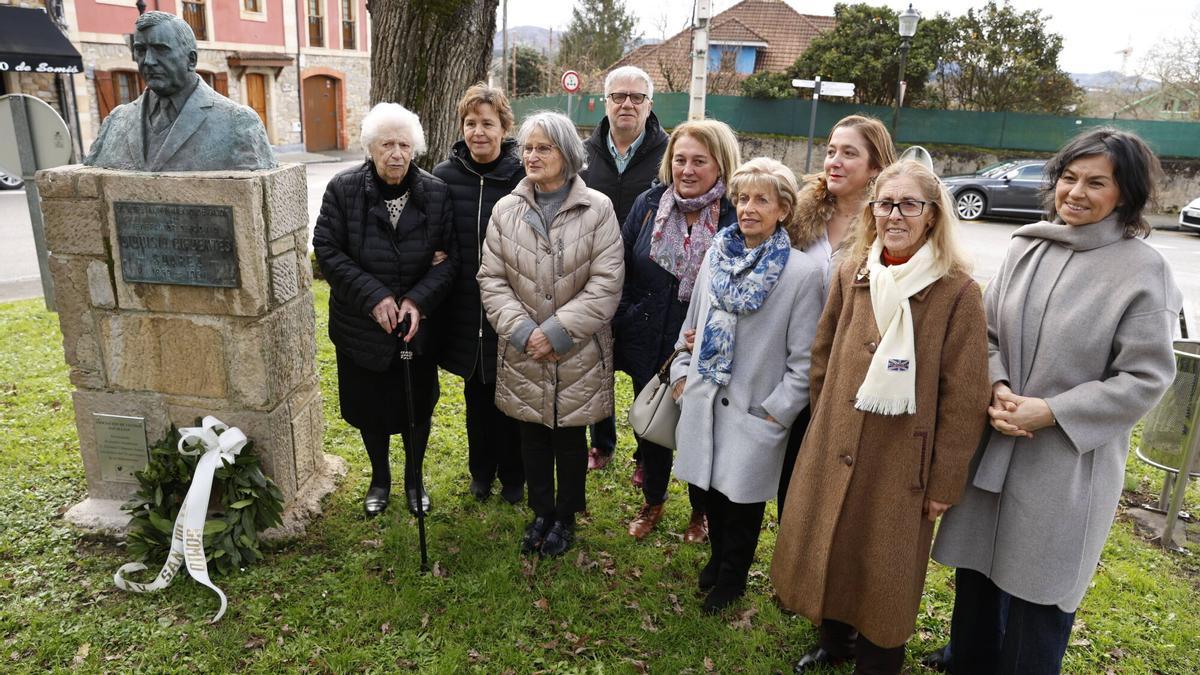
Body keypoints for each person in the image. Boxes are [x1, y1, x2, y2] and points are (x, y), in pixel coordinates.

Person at [925, 129, 1183, 675]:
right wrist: (994, 387)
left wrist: (1053, 411)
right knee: (978, 574)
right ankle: (967, 662)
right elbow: (985, 334)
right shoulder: (1028, 246)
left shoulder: (1144, 272)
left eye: (1097, 182)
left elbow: (1146, 375)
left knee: (1039, 595)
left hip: (1065, 463)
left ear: (1126, 194)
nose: (1076, 193)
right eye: (1069, 178)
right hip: (996, 442)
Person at [771, 160, 990, 674]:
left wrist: (944, 480)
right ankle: (834, 638)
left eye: (909, 204)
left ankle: (877, 659)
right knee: (832, 539)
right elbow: (823, 350)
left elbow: (964, 398)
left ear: (933, 216)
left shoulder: (957, 291)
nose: (895, 215)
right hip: (838, 437)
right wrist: (825, 422)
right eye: (885, 203)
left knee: (885, 567)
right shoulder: (855, 269)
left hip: (901, 456)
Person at [670, 157, 825, 614]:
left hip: (754, 409)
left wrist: (776, 411)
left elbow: (804, 361)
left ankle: (732, 577)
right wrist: (682, 376)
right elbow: (690, 325)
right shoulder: (715, 256)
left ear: (783, 209)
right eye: (742, 198)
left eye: (762, 199)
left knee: (742, 502)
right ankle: (718, 560)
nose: (748, 208)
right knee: (710, 493)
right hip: (704, 399)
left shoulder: (801, 273)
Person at [477, 111, 624, 558]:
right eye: (527, 148)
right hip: (524, 347)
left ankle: (566, 515)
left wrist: (558, 331)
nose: (532, 156)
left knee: (569, 436)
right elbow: (492, 278)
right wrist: (523, 330)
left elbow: (607, 282)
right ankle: (541, 510)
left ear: (567, 154)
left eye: (544, 148)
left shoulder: (597, 208)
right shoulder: (507, 209)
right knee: (532, 433)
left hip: (575, 350)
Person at [313, 102, 457, 518]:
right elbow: (327, 249)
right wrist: (374, 296)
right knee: (370, 409)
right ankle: (380, 479)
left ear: (415, 149)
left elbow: (451, 259)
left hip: (415, 326)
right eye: (386, 144)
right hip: (360, 325)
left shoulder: (435, 191)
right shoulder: (343, 189)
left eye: (404, 144)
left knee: (416, 409)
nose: (396, 153)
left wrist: (416, 300)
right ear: (370, 148)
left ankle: (415, 480)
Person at [615, 120, 741, 543]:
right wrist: (629, 315)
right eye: (680, 159)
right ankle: (652, 501)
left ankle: (700, 511)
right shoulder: (650, 204)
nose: (687, 169)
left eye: (699, 161)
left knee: (700, 429)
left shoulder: (735, 216)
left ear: (720, 165)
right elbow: (622, 269)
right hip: (647, 339)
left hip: (705, 348)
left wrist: (709, 330)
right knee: (652, 427)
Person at [778, 114, 896, 518]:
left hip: (847, 371)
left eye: (849, 153)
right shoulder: (797, 216)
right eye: (831, 151)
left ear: (876, 167)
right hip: (792, 366)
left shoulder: (888, 227)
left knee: (829, 485)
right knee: (789, 475)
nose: (835, 162)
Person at [432, 84, 526, 505]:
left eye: (488, 123)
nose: (478, 132)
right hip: (466, 307)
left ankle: (514, 476)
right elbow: (432, 232)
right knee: (476, 395)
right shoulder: (444, 176)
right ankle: (481, 472)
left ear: (505, 127)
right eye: (471, 123)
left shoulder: (524, 175)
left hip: (514, 302)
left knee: (512, 397)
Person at [579, 65, 670, 477]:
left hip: (645, 282)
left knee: (643, 368)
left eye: (636, 97)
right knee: (597, 366)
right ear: (606, 102)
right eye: (619, 96)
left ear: (650, 105)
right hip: (592, 279)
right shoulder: (584, 153)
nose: (627, 104)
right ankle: (602, 443)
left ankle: (644, 452)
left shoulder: (668, 154)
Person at [84, 11, 275, 171]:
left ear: (191, 59)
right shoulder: (115, 122)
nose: (148, 61)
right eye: (141, 50)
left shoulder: (238, 123)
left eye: (161, 49)